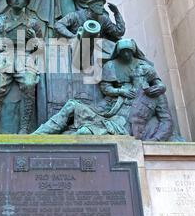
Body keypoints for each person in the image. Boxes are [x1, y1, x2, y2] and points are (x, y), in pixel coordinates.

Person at [33, 39, 174, 141]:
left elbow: (166, 121)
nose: (133, 70)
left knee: (83, 133)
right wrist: (119, 92)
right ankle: (36, 137)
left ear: (146, 75)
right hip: (105, 119)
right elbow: (105, 99)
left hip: (122, 130)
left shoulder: (155, 96)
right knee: (72, 105)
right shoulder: (125, 88)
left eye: (137, 71)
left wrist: (155, 142)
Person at [0, 0, 43, 134]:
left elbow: (40, 46)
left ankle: (24, 128)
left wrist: (33, 37)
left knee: (29, 84)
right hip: (4, 56)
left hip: (24, 55)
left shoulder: (32, 23)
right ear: (9, 1)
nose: (17, 0)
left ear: (25, 2)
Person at [54, 0, 125, 42]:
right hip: (76, 46)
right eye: (100, 6)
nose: (102, 8)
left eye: (103, 6)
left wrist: (116, 13)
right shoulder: (76, 16)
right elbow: (58, 25)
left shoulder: (103, 19)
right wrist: (73, 36)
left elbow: (119, 31)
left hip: (96, 48)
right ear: (92, 7)